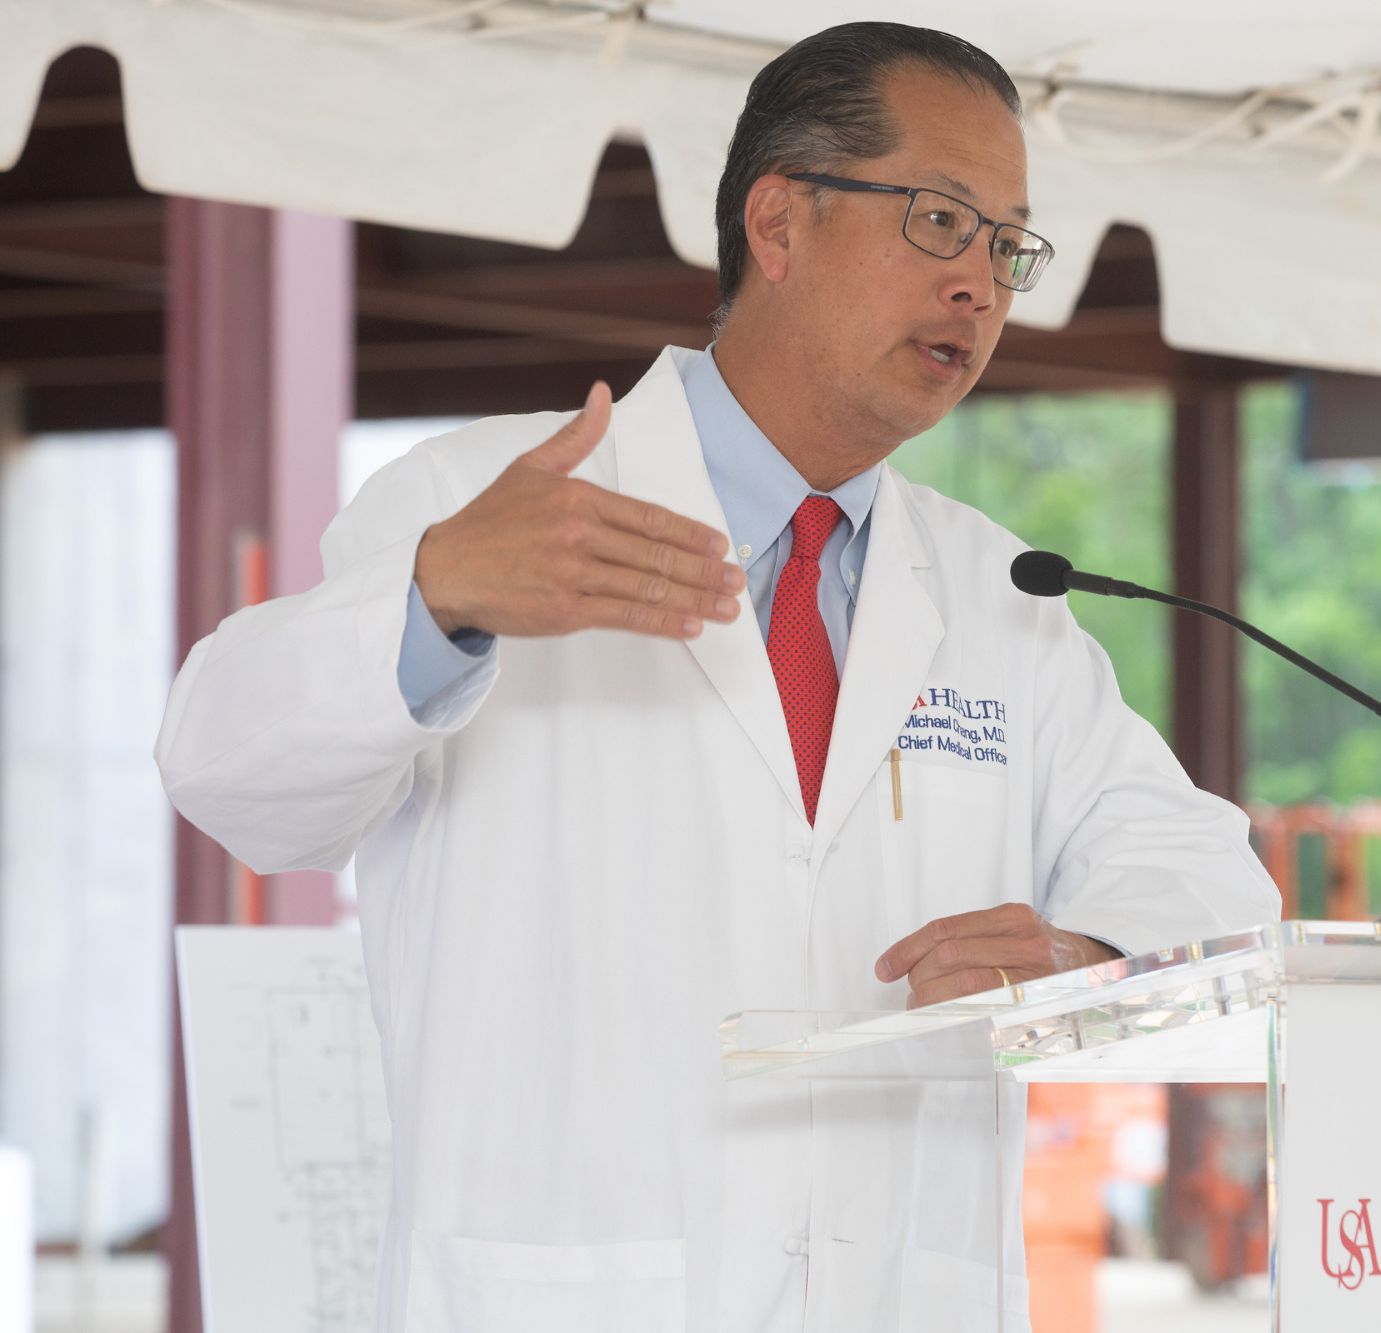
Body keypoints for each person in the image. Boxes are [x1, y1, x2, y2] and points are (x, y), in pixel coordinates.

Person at [157, 21, 1278, 1333]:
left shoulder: (999, 596)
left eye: (1008, 246)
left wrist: (1082, 956)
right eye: (940, 221)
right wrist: (435, 598)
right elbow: (226, 775)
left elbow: (1217, 890)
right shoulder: (484, 503)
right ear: (779, 221)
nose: (981, 285)